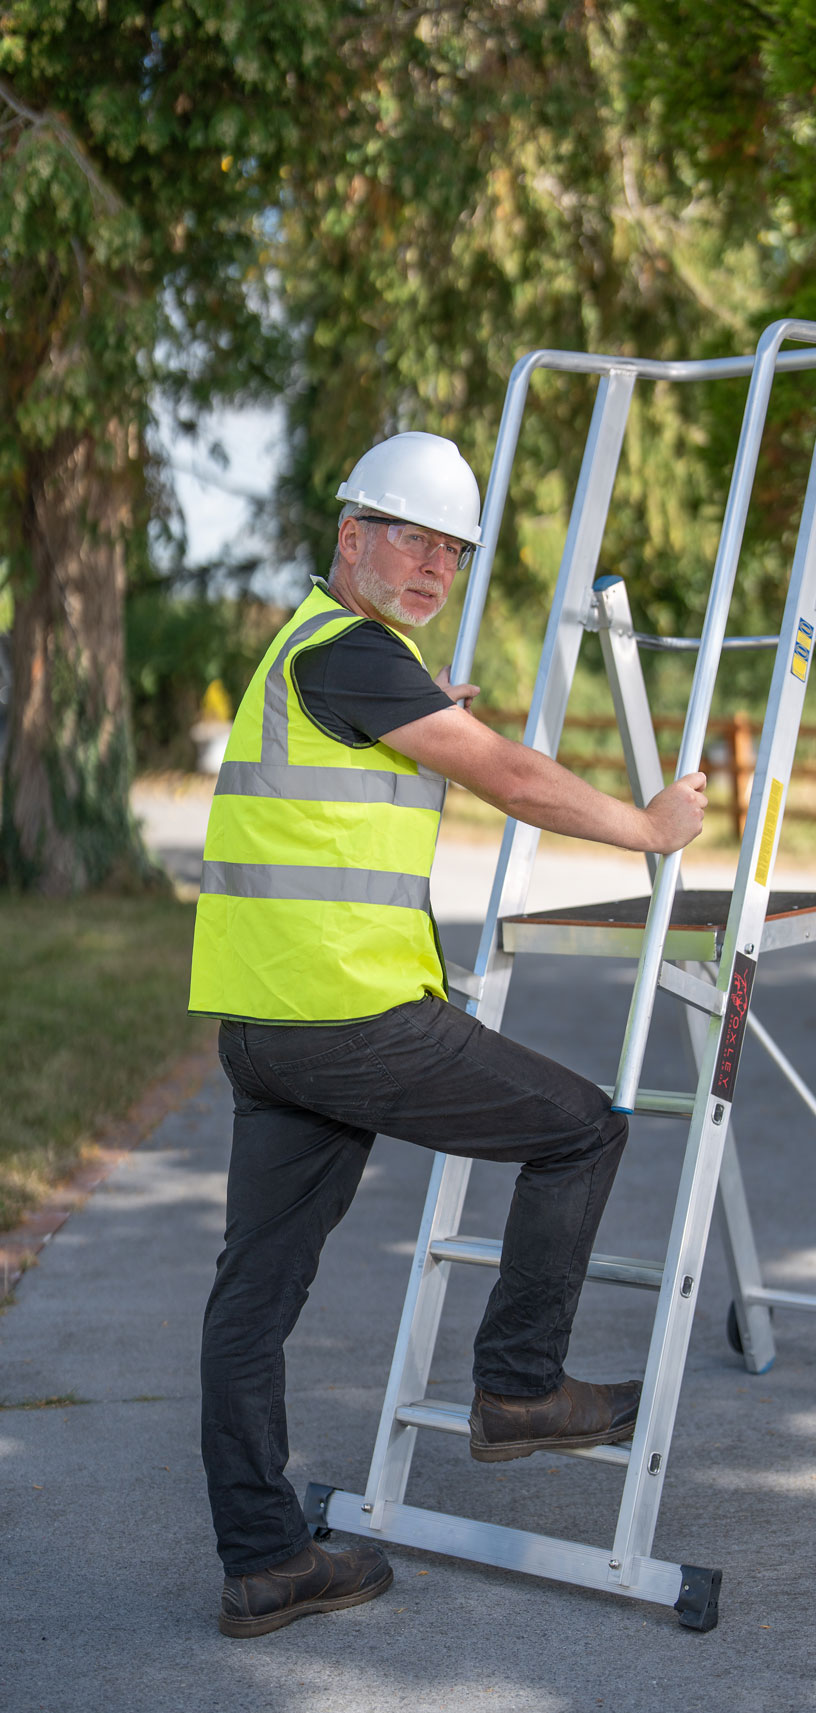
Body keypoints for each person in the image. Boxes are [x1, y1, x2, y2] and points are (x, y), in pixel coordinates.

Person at [189, 431, 707, 1639]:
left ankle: (267, 1562)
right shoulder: (355, 658)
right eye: (410, 538)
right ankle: (519, 1391)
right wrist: (648, 826)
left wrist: (419, 698)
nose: (433, 565)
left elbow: (369, 763)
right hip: (351, 1020)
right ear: (349, 533)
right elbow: (515, 778)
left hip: (266, 1023)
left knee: (251, 1300)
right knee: (581, 1130)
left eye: (452, 550)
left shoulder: (319, 655)